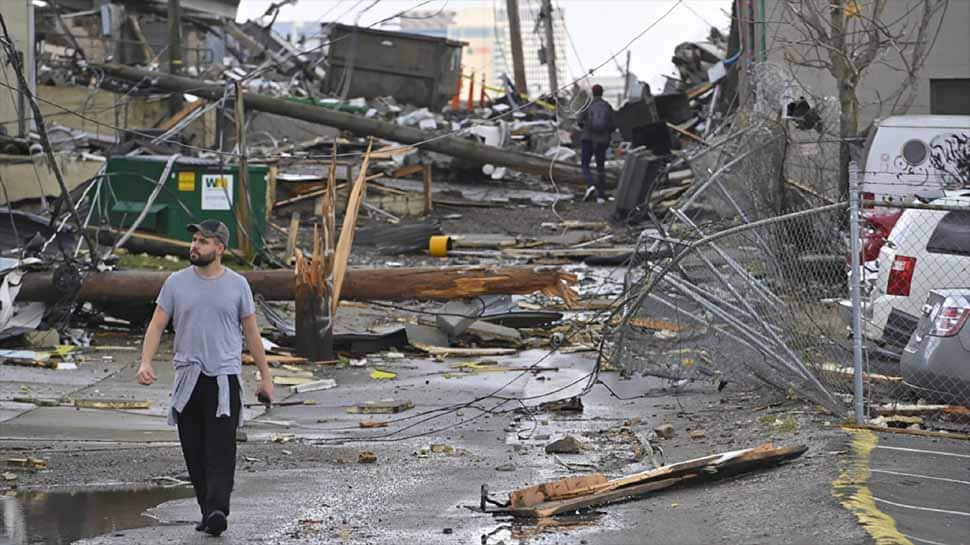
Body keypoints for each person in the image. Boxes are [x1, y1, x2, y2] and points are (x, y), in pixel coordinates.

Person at [136, 219, 274, 537]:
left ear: (220, 248)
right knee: (194, 450)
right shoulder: (175, 282)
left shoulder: (238, 285)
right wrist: (145, 361)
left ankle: (217, 510)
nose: (195, 246)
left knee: (221, 450)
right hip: (188, 379)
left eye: (203, 241)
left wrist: (265, 377)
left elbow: (252, 333)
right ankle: (206, 510)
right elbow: (157, 325)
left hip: (223, 380)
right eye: (195, 240)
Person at [578, 84, 616, 202]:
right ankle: (601, 195)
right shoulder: (607, 106)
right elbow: (613, 125)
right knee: (601, 167)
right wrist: (606, 133)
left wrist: (585, 128)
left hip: (588, 138)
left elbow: (579, 120)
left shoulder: (588, 105)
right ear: (602, 93)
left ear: (592, 93)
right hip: (602, 141)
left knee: (585, 164)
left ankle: (590, 185)